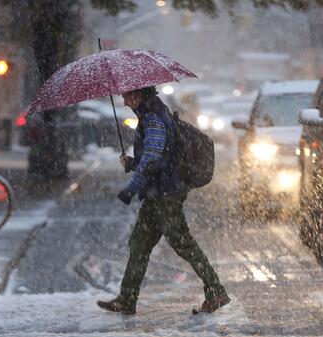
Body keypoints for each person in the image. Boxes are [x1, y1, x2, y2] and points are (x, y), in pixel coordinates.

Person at [97, 86, 229, 314]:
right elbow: (154, 157)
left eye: (127, 97)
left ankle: (216, 291)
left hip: (166, 195)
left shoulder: (154, 119)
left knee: (184, 245)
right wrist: (131, 164)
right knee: (139, 244)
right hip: (156, 194)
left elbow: (152, 160)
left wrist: (131, 188)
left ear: (138, 95)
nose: (125, 102)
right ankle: (127, 298)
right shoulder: (152, 115)